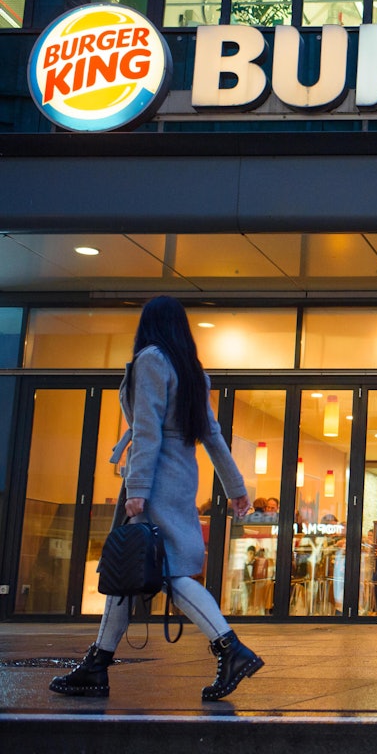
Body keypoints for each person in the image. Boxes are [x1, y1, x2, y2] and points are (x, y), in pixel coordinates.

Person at [49, 296, 263, 701]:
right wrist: (236, 488)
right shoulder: (192, 371)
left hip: (156, 478)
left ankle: (230, 647)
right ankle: (97, 663)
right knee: (129, 570)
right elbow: (212, 435)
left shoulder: (151, 360)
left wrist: (138, 490)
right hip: (181, 476)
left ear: (148, 324)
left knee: (166, 571)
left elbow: (147, 430)